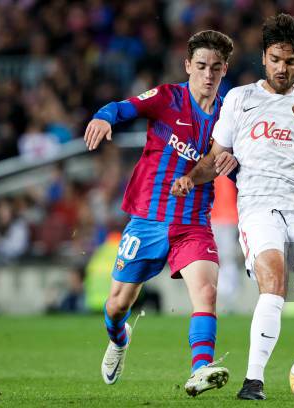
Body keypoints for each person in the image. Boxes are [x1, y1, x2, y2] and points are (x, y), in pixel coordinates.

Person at [171, 14, 294, 400]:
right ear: (264, 57)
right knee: (273, 285)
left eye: (290, 61)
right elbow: (217, 155)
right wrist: (190, 178)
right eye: (275, 59)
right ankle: (253, 381)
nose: (282, 67)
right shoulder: (240, 100)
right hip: (261, 208)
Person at [83, 30, 238, 396]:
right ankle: (119, 340)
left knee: (206, 291)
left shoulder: (230, 113)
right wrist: (105, 118)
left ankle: (201, 369)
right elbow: (124, 107)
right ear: (188, 66)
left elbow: (236, 156)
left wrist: (233, 160)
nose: (208, 74)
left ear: (224, 70)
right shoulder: (168, 97)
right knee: (118, 304)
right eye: (200, 66)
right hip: (148, 221)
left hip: (193, 223)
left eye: (216, 68)